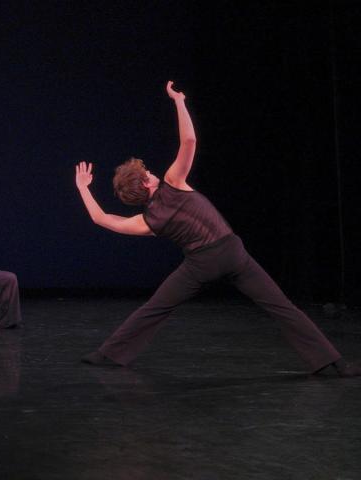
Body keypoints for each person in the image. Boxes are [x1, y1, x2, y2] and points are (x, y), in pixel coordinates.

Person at [75, 81, 360, 377]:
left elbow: (103, 219)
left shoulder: (148, 220)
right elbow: (189, 142)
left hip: (201, 265)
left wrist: (83, 188)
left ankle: (107, 354)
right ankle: (335, 364)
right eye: (146, 172)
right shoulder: (174, 181)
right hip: (231, 252)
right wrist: (179, 101)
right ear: (146, 183)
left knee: (155, 307)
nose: (149, 171)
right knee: (282, 307)